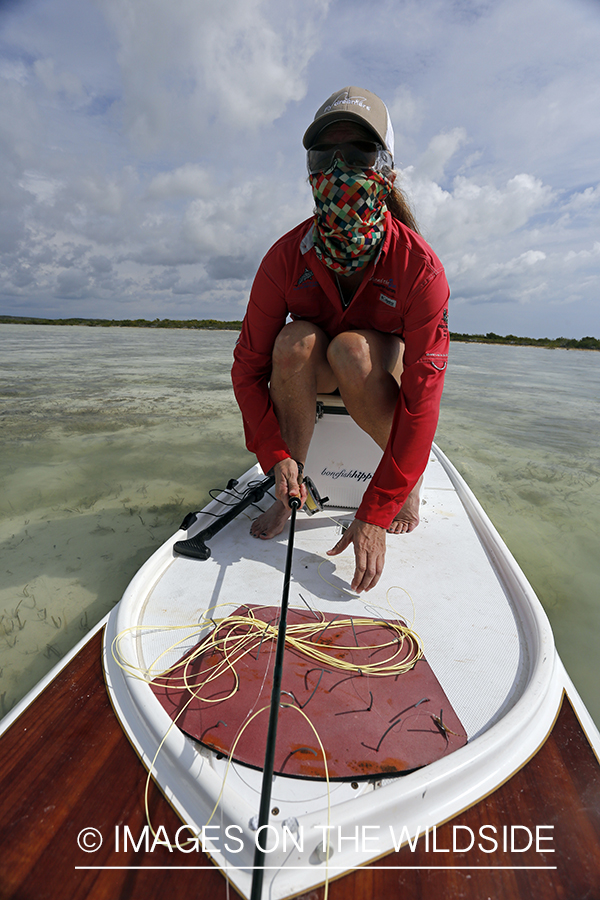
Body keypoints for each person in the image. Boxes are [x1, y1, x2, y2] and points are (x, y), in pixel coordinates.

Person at [231, 86, 449, 594]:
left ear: (387, 172)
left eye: (358, 154)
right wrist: (272, 451)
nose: (339, 168)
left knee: (350, 347)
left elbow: (423, 398)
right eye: (324, 154)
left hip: (374, 367)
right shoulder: (283, 258)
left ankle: (408, 483)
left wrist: (379, 506)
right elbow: (247, 369)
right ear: (308, 170)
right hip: (317, 364)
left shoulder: (420, 268)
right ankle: (291, 492)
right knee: (293, 343)